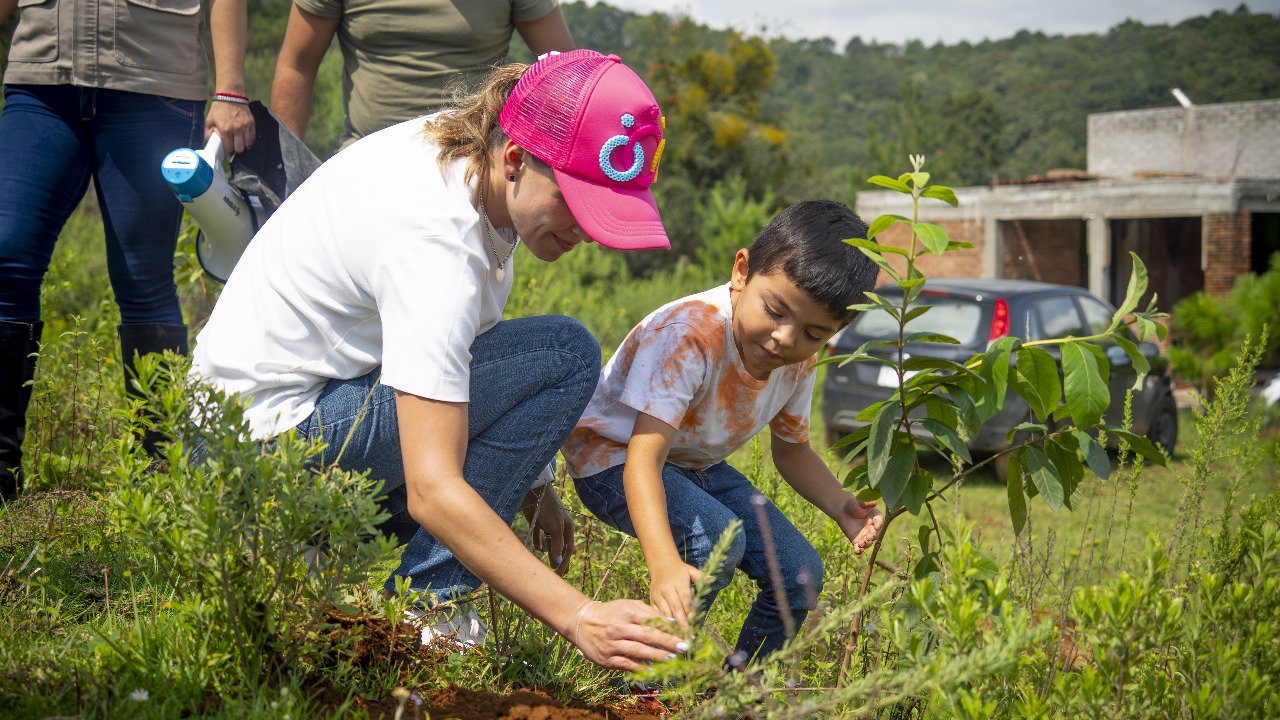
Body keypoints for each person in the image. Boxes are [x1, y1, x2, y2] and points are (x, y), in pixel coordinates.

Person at [191, 50, 683, 669]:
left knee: (550, 357)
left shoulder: (462, 151)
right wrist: (580, 616)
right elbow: (432, 487)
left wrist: (532, 486)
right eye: (576, 202)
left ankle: (332, 556)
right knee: (565, 353)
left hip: (264, 428)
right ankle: (429, 610)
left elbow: (468, 353)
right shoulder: (436, 242)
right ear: (516, 160)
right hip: (254, 452)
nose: (587, 229)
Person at [562, 200, 886, 665]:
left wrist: (841, 506)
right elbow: (643, 460)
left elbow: (792, 451)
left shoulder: (798, 360)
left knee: (799, 575)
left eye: (813, 333)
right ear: (741, 271)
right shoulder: (690, 334)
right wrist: (664, 565)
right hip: (612, 458)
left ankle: (738, 696)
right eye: (775, 311)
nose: (785, 339)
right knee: (717, 539)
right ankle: (636, 687)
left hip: (694, 466)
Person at [0, 0, 256, 500]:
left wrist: (229, 89)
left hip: (152, 84)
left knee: (143, 279)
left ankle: (159, 479)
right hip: (42, 82)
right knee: (6, 257)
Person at [270, 0, 574, 152]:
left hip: (470, 172)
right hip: (365, 165)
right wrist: (283, 170)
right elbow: (297, 66)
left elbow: (567, 76)